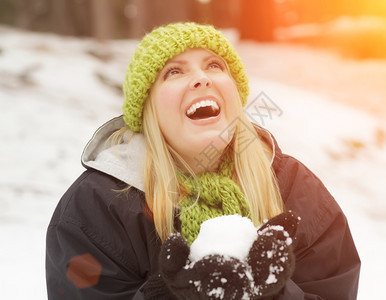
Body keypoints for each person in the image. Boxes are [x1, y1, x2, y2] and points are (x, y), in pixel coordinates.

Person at [46, 22, 360, 299]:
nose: (201, 78)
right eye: (174, 71)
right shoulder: (98, 208)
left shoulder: (295, 188)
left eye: (214, 66)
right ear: (148, 109)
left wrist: (274, 294)